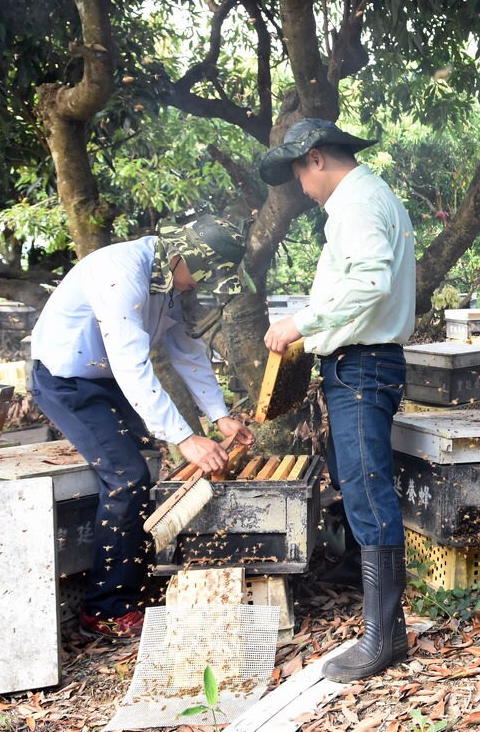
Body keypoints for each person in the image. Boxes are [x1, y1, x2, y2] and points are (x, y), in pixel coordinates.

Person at [30, 215, 255, 639]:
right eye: (200, 277)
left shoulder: (168, 279)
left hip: (106, 379)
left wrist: (219, 414)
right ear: (180, 256)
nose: (197, 287)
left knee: (147, 467)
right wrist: (186, 438)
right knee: (126, 477)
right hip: (65, 381)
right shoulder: (121, 274)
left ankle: (135, 582)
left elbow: (185, 350)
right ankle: (104, 610)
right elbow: (132, 365)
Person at [258, 118, 416, 682]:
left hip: (364, 364)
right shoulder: (360, 202)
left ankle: (383, 638)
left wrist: (301, 322)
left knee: (369, 491)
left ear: (317, 159)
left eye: (299, 172)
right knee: (359, 482)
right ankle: (380, 618)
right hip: (357, 364)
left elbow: (371, 282)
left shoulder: (359, 203)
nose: (300, 186)